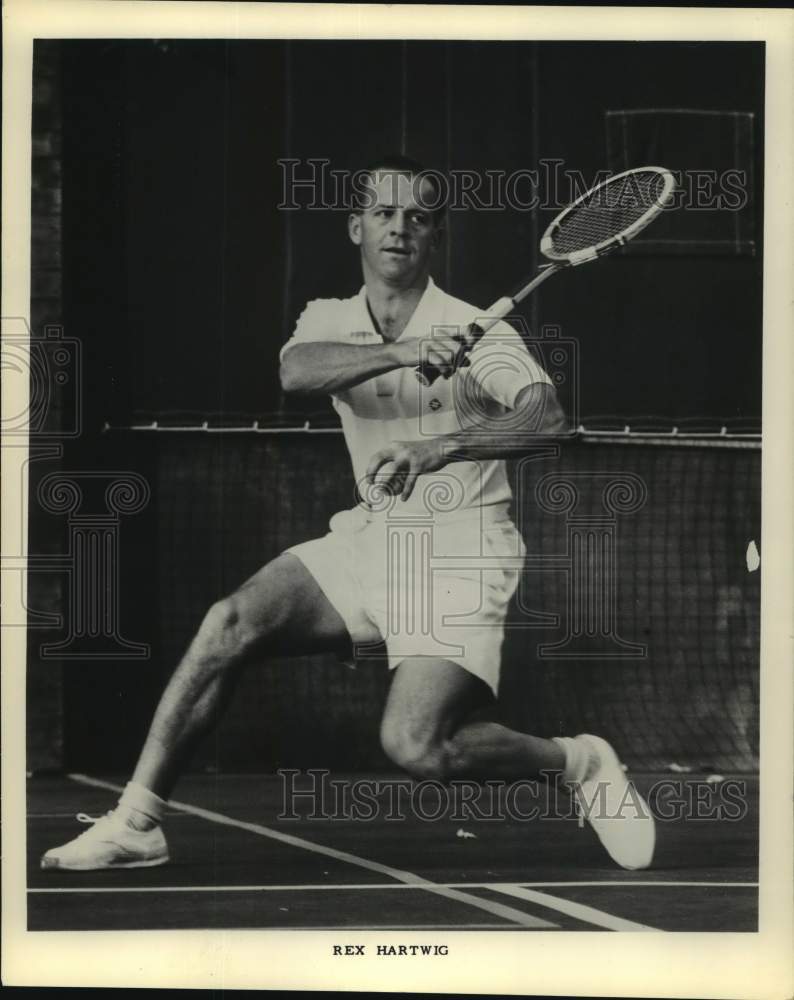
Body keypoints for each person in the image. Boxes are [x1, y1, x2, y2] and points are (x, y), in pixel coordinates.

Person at [41, 155, 655, 873]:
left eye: (418, 217)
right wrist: (403, 351)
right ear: (356, 226)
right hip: (370, 538)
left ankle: (579, 762)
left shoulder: (476, 329)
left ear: (435, 235)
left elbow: (546, 420)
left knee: (419, 749)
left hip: (461, 549)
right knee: (228, 621)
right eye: (386, 213)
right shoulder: (328, 319)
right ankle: (137, 823)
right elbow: (295, 372)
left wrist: (444, 444)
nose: (401, 228)